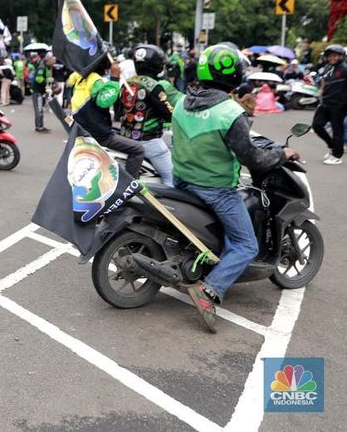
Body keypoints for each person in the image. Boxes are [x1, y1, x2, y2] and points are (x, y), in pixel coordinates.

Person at [172, 44, 297, 332]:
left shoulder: (181, 101)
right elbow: (251, 157)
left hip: (181, 180)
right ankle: (210, 289)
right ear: (235, 73)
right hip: (214, 188)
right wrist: (282, 154)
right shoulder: (230, 112)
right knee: (246, 245)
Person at [71, 56, 145, 179]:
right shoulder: (96, 80)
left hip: (82, 129)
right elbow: (104, 101)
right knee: (137, 149)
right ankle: (131, 186)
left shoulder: (82, 78)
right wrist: (115, 78)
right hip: (97, 133)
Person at [120, 44, 176, 186]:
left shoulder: (128, 83)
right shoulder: (154, 86)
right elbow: (169, 112)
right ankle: (169, 207)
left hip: (125, 138)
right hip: (149, 141)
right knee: (172, 176)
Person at [311, 44, 347, 165]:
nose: (332, 58)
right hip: (325, 102)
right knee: (317, 126)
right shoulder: (327, 68)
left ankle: (337, 155)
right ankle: (333, 146)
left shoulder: (344, 69)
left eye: (335, 55)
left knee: (337, 131)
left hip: (339, 105)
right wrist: (320, 91)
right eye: (330, 56)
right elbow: (323, 81)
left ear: (341, 56)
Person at [29, 52, 54, 133]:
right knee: (39, 109)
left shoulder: (47, 67)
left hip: (41, 91)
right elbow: (38, 79)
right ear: (48, 60)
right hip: (37, 92)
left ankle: (40, 126)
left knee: (40, 109)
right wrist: (46, 81)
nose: (54, 61)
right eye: (52, 60)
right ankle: (39, 127)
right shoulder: (42, 67)